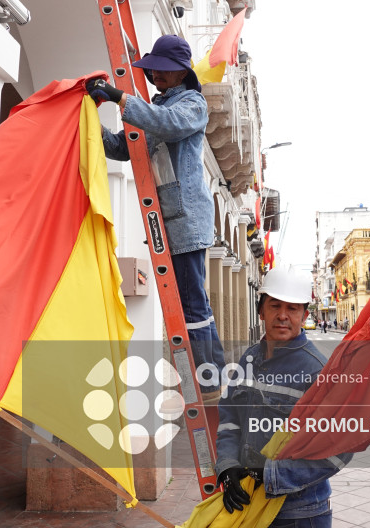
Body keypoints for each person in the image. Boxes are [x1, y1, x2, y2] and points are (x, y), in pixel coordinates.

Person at [88, 35, 225, 401]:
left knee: (191, 303)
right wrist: (89, 123)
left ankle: (205, 383)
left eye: (161, 70)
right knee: (194, 301)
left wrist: (118, 97)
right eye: (153, 70)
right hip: (171, 219)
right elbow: (124, 148)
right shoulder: (160, 107)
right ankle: (214, 378)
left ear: (181, 71)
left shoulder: (192, 104)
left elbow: (167, 124)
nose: (154, 76)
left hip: (185, 220)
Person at [215, 268, 352, 526]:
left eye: (292, 308)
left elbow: (339, 449)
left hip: (299, 514)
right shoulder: (250, 358)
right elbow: (230, 416)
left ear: (304, 315)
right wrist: (228, 465)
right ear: (261, 311)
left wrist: (271, 475)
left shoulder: (319, 371)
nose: (282, 316)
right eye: (275, 306)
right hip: (249, 506)